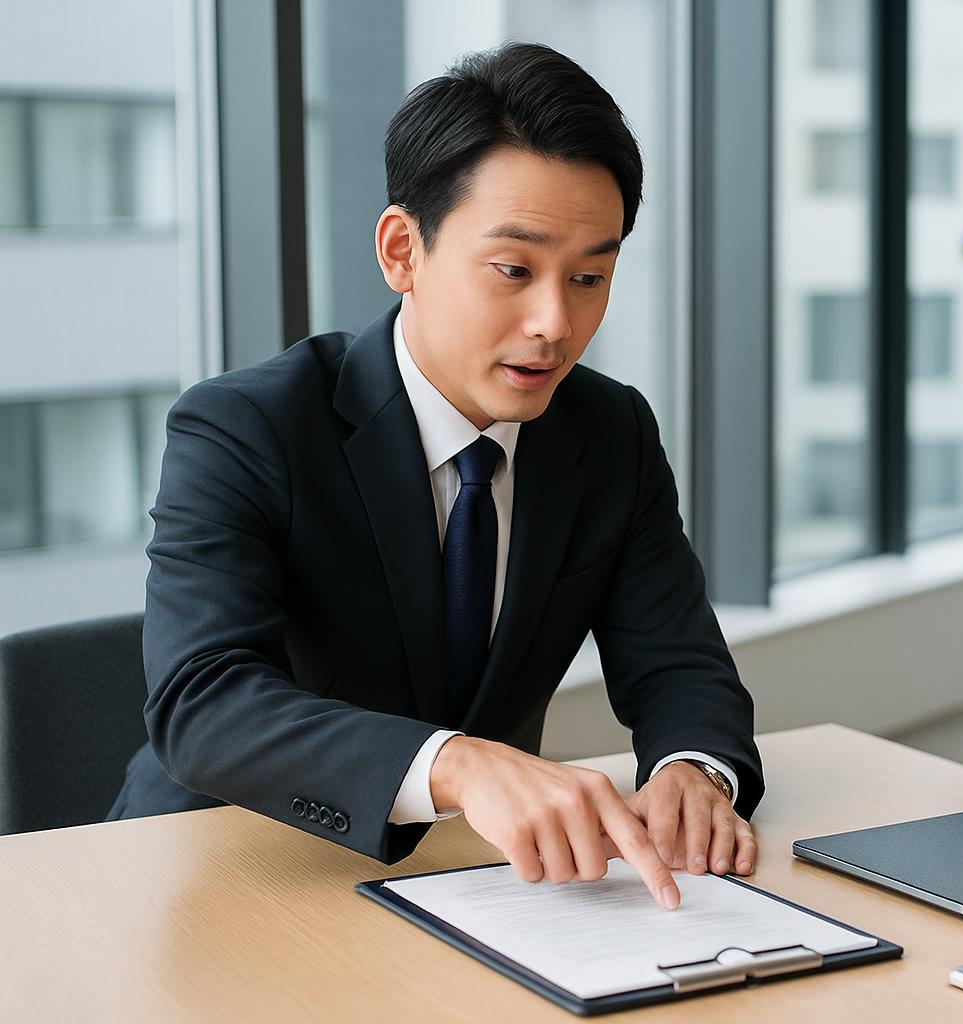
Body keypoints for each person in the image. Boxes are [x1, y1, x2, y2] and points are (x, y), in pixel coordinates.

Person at [107, 42, 763, 911]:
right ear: (401, 250)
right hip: (224, 874)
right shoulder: (247, 426)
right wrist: (457, 763)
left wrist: (693, 770)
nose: (554, 322)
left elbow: (680, 665)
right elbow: (204, 701)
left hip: (471, 883)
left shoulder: (611, 432)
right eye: (514, 270)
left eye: (590, 277)